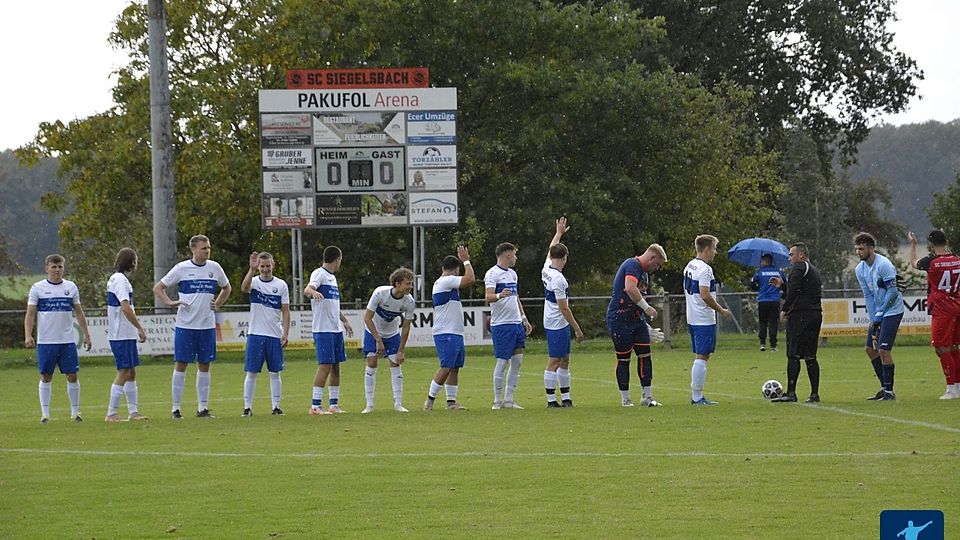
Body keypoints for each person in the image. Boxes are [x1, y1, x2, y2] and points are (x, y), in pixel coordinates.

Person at [153, 234, 232, 419]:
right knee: (181, 364)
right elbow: (158, 287)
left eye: (209, 247)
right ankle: (175, 408)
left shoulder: (215, 268)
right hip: (186, 326)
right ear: (193, 249)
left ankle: (202, 408)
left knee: (205, 365)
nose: (207, 251)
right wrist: (170, 302)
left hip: (206, 326)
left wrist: (218, 303)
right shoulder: (181, 268)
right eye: (204, 248)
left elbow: (226, 287)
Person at [24, 254, 92, 423]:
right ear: (46, 268)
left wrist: (86, 335)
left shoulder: (71, 287)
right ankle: (45, 414)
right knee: (46, 376)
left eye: (60, 266)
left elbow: (79, 312)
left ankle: (75, 413)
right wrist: (27, 334)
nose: (57, 270)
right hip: (46, 341)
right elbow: (31, 313)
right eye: (54, 267)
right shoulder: (37, 288)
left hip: (67, 341)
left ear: (63, 268)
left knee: (72, 375)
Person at [606, 243, 668, 407]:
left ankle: (646, 397)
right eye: (657, 264)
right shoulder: (632, 265)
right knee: (624, 359)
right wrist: (647, 309)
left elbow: (639, 298)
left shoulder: (645, 274)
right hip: (620, 319)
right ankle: (625, 399)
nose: (656, 268)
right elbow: (630, 288)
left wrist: (645, 322)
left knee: (645, 356)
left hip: (636, 319)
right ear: (652, 257)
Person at [908, 229, 960, 399]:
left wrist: (913, 245)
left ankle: (951, 389)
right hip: (957, 305)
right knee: (954, 346)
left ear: (930, 245)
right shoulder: (957, 259)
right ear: (946, 241)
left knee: (941, 348)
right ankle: (958, 386)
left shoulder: (931, 261)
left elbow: (914, 262)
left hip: (941, 309)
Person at [683, 235, 733, 405]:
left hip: (692, 317)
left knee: (700, 355)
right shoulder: (705, 269)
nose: (715, 252)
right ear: (706, 249)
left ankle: (696, 395)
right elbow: (705, 294)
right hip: (703, 319)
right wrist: (721, 310)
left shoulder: (690, 265)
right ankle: (697, 397)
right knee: (702, 356)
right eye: (714, 248)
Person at [769, 243, 823, 403]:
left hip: (800, 316)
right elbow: (800, 290)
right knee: (810, 356)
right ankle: (814, 394)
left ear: (801, 255)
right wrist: (783, 285)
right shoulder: (812, 269)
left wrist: (784, 309)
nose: (789, 258)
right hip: (814, 314)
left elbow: (793, 292)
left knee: (793, 355)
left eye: (791, 254)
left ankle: (791, 393)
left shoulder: (798, 267)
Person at [853, 232, 904, 401]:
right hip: (879, 313)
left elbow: (894, 292)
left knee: (883, 350)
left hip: (893, 311)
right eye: (857, 249)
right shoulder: (859, 269)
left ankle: (889, 392)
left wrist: (881, 312)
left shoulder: (884, 265)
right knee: (870, 350)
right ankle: (884, 388)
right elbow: (868, 295)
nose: (858, 252)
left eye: (861, 249)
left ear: (871, 249)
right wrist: (874, 317)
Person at [424, 245, 475, 411]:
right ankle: (429, 401)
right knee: (446, 366)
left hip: (454, 332)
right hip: (446, 332)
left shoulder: (446, 282)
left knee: (454, 368)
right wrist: (466, 260)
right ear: (456, 270)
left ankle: (451, 402)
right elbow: (470, 279)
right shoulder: (446, 280)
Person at [540, 217, 584, 408]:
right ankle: (551, 401)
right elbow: (563, 308)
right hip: (557, 322)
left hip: (553, 320)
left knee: (565, 359)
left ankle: (566, 398)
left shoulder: (546, 268)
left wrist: (558, 233)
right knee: (555, 360)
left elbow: (552, 247)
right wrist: (577, 328)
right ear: (565, 257)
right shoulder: (558, 280)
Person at [305, 245, 354, 415]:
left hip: (335, 329)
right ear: (337, 259)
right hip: (323, 329)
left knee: (336, 367)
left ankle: (333, 405)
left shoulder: (332, 278)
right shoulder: (319, 274)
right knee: (325, 365)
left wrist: (344, 320)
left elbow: (333, 305)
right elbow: (307, 289)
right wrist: (313, 292)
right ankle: (315, 406)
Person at [240, 251, 291, 416]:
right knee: (252, 372)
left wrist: (286, 332)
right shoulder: (254, 282)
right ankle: (247, 407)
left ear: (273, 265)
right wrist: (251, 269)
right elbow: (244, 288)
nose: (265, 269)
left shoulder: (281, 285)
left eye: (268, 266)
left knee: (275, 372)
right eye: (262, 266)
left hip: (274, 334)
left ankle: (276, 406)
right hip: (256, 334)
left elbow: (286, 311)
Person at [485, 242, 534, 409]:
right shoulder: (492, 274)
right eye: (514, 254)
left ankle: (509, 399)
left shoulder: (513, 274)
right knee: (502, 361)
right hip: (502, 324)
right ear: (507, 255)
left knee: (518, 361)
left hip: (516, 323)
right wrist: (499, 295)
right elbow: (488, 296)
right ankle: (496, 400)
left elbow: (516, 297)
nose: (515, 257)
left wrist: (524, 317)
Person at [361, 267, 416, 413]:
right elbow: (367, 318)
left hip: (392, 334)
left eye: (411, 284)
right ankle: (369, 405)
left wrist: (401, 350)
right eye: (408, 284)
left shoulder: (409, 302)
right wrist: (378, 340)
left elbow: (406, 327)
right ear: (397, 284)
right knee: (372, 363)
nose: (410, 287)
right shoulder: (380, 293)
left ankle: (398, 404)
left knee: (395, 363)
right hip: (373, 331)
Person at [104, 248, 149, 422]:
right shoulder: (120, 280)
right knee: (123, 371)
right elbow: (125, 307)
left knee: (131, 372)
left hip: (125, 334)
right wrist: (139, 327)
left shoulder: (119, 280)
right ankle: (111, 413)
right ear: (131, 262)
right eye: (135, 260)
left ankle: (133, 412)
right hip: (120, 333)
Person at [751, 253, 785, 351]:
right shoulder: (778, 272)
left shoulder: (759, 272)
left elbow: (753, 284)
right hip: (775, 300)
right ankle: (773, 345)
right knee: (773, 323)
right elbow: (784, 284)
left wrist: (760, 288)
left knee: (763, 323)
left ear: (765, 261)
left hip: (763, 300)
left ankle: (762, 343)